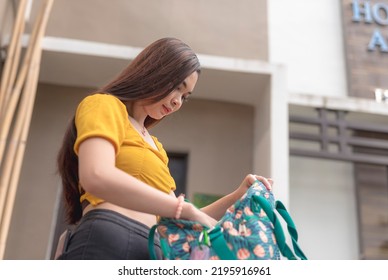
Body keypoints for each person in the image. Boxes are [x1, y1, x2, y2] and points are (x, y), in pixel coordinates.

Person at [56, 37, 272, 260]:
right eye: (177, 87)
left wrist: (237, 195)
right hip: (108, 238)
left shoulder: (156, 146)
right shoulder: (104, 105)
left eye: (185, 97)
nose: (178, 102)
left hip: (152, 251)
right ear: (155, 72)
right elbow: (96, 175)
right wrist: (184, 209)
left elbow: (175, 217)